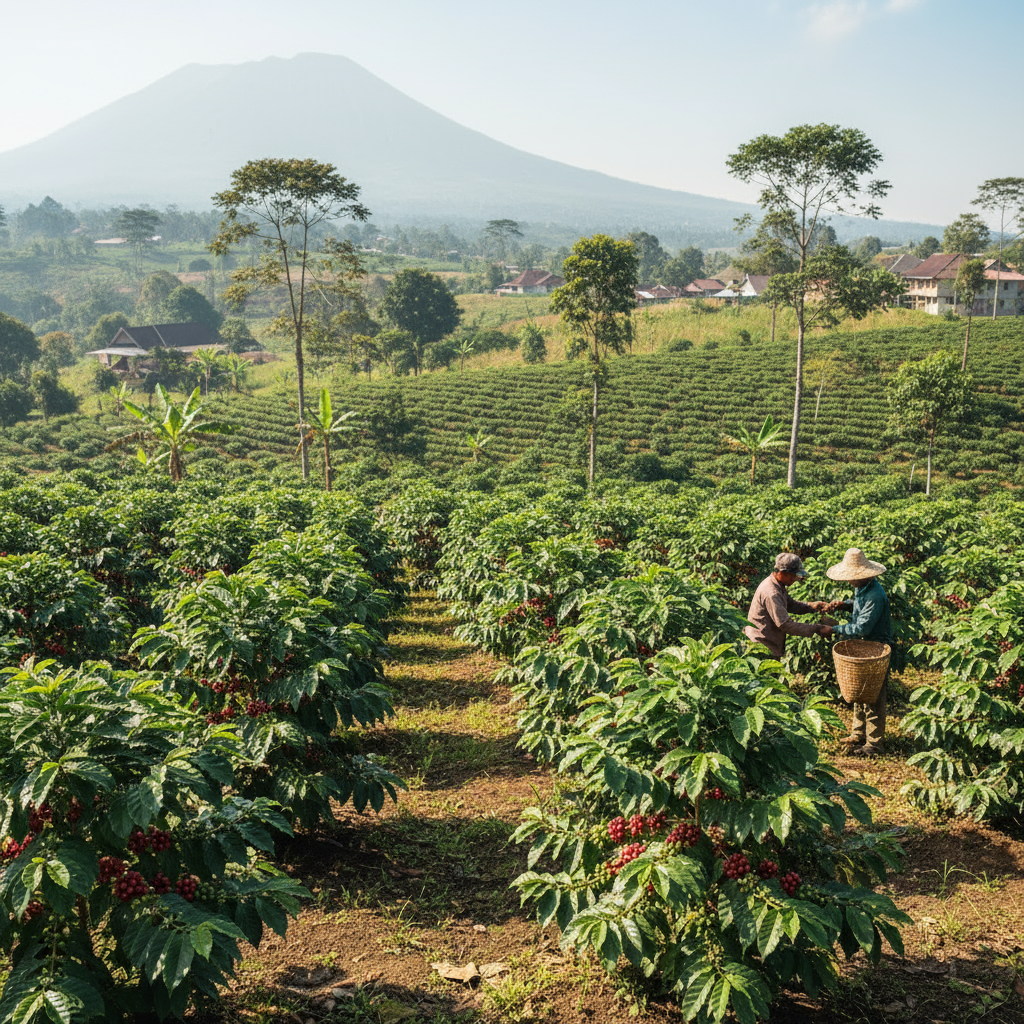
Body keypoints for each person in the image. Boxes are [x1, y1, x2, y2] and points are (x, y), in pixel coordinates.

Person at [820, 548, 892, 758]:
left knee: (873, 695)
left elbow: (862, 628)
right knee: (859, 689)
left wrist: (834, 629)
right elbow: (860, 606)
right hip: (864, 646)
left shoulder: (875, 594)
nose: (849, 580)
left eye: (852, 576)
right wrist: (845, 605)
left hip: (875, 648)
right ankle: (858, 733)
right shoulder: (863, 588)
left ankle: (874, 744)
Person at [744, 553, 833, 659]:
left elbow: (791, 605)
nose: (795, 579)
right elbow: (786, 625)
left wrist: (812, 606)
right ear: (782, 573)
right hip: (760, 647)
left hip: (767, 643)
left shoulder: (777, 585)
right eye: (793, 575)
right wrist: (817, 629)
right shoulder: (772, 593)